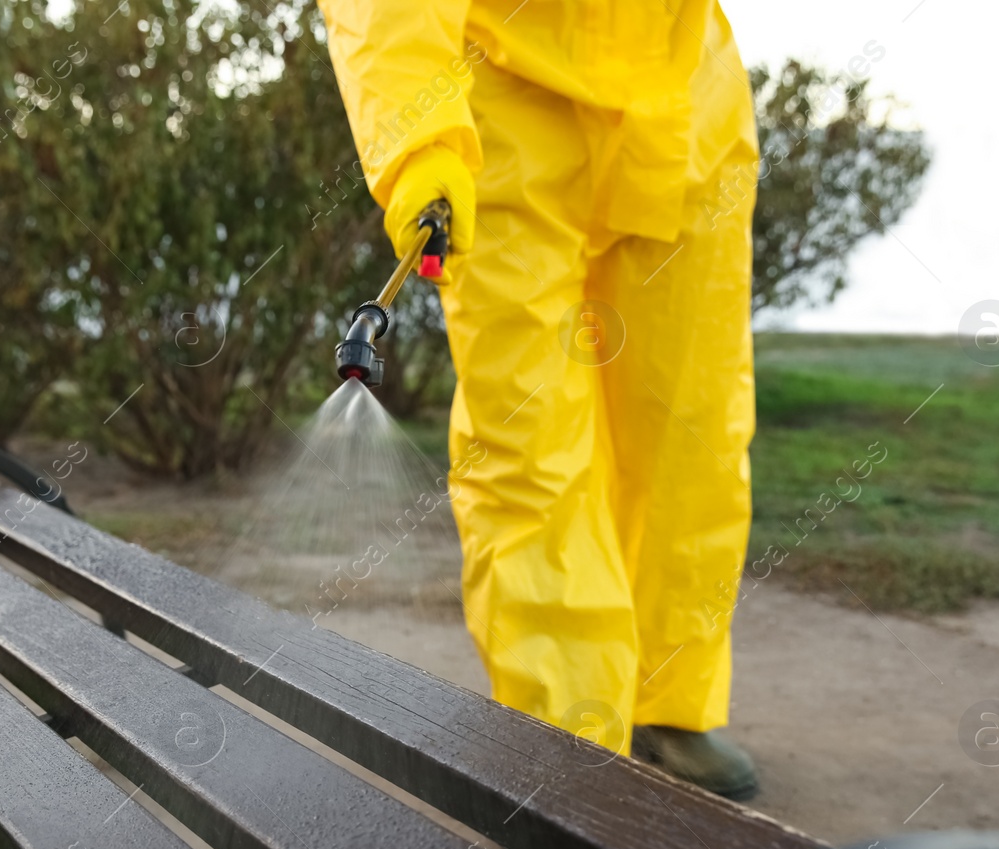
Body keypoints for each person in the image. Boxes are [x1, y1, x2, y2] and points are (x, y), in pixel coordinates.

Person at [317, 0, 761, 798]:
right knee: (526, 444)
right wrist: (422, 147)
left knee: (691, 432)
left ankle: (672, 698)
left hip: (689, 114)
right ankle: (569, 747)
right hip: (506, 114)